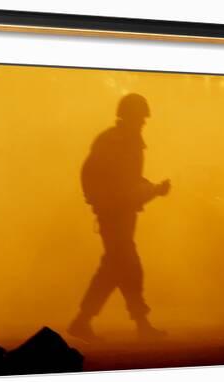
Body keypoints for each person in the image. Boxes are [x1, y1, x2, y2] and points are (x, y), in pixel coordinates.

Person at [68, 93, 171, 342]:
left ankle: (88, 321)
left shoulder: (120, 141)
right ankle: (132, 323)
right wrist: (155, 190)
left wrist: (151, 189)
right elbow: (122, 186)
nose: (144, 122)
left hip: (118, 214)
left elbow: (125, 182)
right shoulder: (119, 143)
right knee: (126, 267)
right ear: (131, 116)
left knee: (118, 268)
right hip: (115, 215)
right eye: (141, 117)